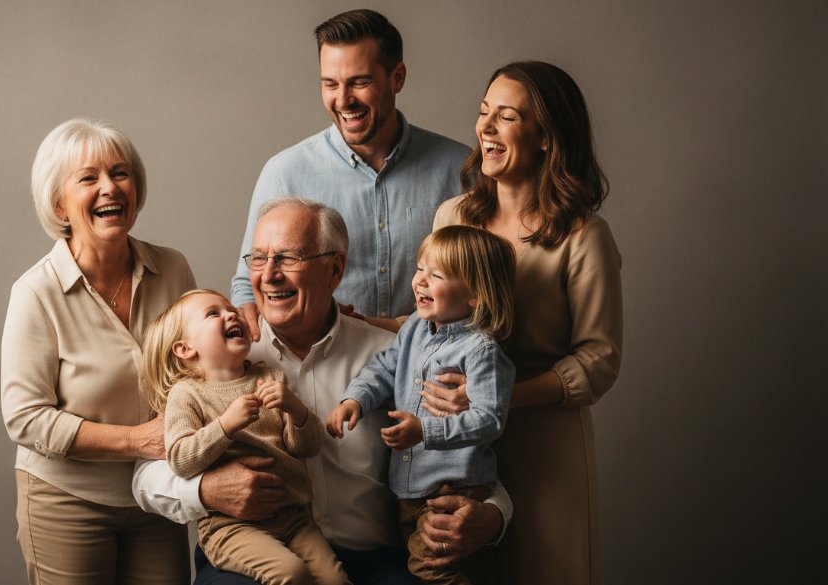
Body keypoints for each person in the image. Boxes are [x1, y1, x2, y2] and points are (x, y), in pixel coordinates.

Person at [134, 197, 513, 585]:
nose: (269, 275)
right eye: (259, 259)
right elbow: (145, 479)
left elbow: (467, 451)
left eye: (288, 258)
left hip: (373, 559)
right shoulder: (221, 360)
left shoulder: (394, 354)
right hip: (252, 551)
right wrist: (205, 490)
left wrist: (493, 515)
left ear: (334, 270)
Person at [433, 61, 623, 585]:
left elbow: (599, 361)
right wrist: (360, 323)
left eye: (506, 116)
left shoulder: (584, 236)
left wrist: (496, 396)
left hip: (545, 449)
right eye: (483, 113)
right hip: (463, 446)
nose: (485, 129)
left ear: (545, 137)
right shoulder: (454, 217)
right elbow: (431, 323)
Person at [0, 117, 195, 584]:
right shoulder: (35, 292)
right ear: (59, 204)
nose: (110, 188)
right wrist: (136, 441)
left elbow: (197, 371)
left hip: (157, 495)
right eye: (88, 178)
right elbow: (24, 417)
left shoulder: (172, 268)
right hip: (64, 501)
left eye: (120, 173)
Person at [230, 8, 470, 334]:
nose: (343, 100)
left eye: (360, 82)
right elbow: (247, 285)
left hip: (433, 369)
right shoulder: (284, 173)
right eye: (330, 84)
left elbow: (485, 285)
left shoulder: (460, 169)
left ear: (397, 77)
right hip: (324, 371)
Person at [327, 225, 517, 585]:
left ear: (476, 294)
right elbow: (384, 366)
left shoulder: (481, 351)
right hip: (408, 489)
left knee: (430, 574)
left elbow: (489, 419)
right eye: (419, 269)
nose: (420, 282)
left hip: (452, 488)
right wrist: (356, 398)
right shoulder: (414, 326)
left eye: (436, 275)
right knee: (416, 570)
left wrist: (423, 430)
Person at [141, 289, 348, 584]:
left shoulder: (272, 378)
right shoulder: (187, 395)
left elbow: (307, 447)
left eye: (230, 309)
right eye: (214, 313)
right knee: (292, 574)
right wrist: (225, 425)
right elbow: (180, 459)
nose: (231, 314)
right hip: (230, 527)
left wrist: (296, 410)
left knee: (335, 580)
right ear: (185, 349)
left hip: (294, 518)